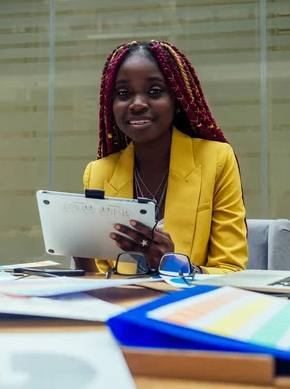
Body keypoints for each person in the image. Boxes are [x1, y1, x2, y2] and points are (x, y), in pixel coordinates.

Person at [74, 40, 248, 275]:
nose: (137, 104)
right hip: (120, 305)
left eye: (154, 91)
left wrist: (172, 265)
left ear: (177, 100)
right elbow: (98, 275)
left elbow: (231, 269)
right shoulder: (98, 172)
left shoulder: (216, 159)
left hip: (192, 305)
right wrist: (80, 255)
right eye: (123, 93)